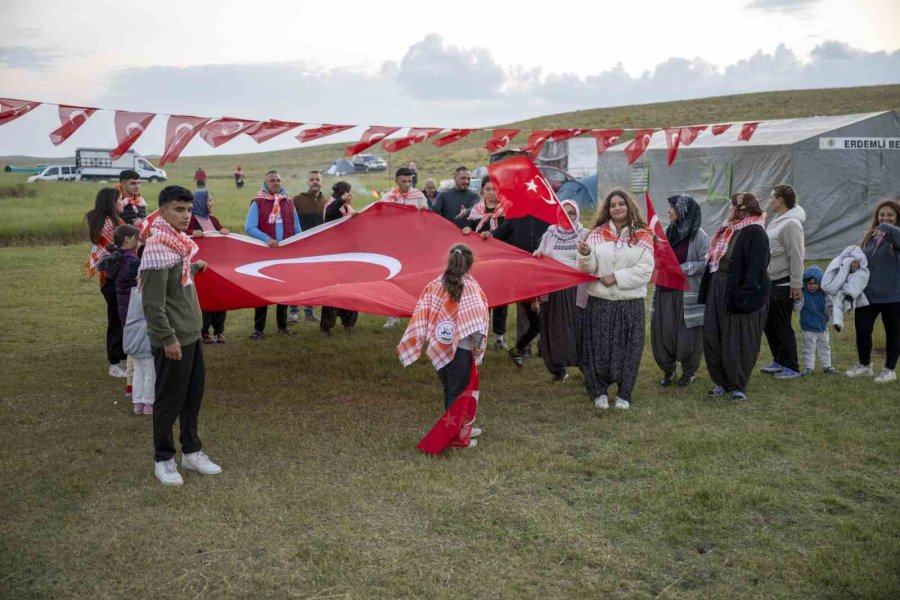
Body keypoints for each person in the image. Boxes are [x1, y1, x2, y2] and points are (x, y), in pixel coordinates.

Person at [140, 185, 221, 486]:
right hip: (173, 339)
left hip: (192, 335)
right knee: (168, 401)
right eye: (178, 209)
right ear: (161, 212)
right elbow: (153, 304)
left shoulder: (177, 244)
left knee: (191, 397)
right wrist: (168, 338)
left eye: (188, 210)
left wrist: (195, 267)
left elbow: (176, 283)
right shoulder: (157, 248)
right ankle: (163, 459)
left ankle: (191, 451)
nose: (186, 215)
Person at [397, 244, 489, 452]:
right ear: (470, 264)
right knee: (458, 392)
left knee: (450, 389)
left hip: (439, 346)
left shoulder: (435, 284)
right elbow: (477, 319)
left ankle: (460, 426)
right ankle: (456, 437)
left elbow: (423, 311)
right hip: (462, 349)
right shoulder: (471, 286)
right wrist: (479, 342)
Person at [576, 189, 654, 410]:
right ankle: (598, 390)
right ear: (607, 210)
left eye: (621, 204)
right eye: (612, 205)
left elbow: (645, 270)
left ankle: (624, 394)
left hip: (630, 303)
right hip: (600, 301)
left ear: (629, 206)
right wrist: (585, 255)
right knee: (598, 349)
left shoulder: (643, 235)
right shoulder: (596, 234)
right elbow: (587, 269)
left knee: (629, 350)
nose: (617, 208)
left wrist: (616, 277)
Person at [698, 192, 771, 401]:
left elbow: (757, 269)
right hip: (719, 286)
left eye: (732, 206)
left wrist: (744, 297)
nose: (730, 210)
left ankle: (738, 384)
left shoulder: (755, 232)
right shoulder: (728, 229)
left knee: (738, 337)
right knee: (714, 333)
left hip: (740, 291)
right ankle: (721, 381)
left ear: (742, 210)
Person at [482, 191, 551, 362]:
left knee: (546, 310)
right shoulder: (515, 217)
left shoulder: (551, 218)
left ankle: (545, 347)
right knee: (525, 311)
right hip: (523, 273)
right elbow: (501, 233)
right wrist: (489, 235)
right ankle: (523, 348)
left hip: (546, 272)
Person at [650, 194, 710, 387]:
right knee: (664, 331)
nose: (668, 211)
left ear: (683, 211)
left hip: (686, 294)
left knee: (687, 334)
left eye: (672, 208)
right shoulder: (666, 232)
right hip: (665, 290)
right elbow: (657, 257)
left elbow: (705, 263)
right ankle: (668, 370)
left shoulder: (699, 235)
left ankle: (689, 372)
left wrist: (679, 269)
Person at [97, 224, 151, 414]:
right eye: (137, 238)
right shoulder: (131, 262)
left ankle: (131, 389)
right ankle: (146, 401)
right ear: (128, 239)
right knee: (143, 357)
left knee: (132, 352)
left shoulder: (117, 259)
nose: (139, 241)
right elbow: (145, 274)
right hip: (135, 311)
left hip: (124, 311)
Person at [846, 199, 900, 383]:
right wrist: (854, 265)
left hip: (893, 296)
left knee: (893, 332)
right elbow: (863, 262)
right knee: (862, 329)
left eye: (890, 215)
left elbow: (894, 232)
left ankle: (889, 369)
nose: (885, 218)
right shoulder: (870, 237)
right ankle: (864, 365)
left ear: (897, 217)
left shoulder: (896, 235)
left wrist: (885, 226)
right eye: (882, 215)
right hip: (868, 294)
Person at [533, 200, 586, 382]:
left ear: (577, 214)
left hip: (576, 291)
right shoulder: (550, 234)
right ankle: (558, 370)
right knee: (554, 330)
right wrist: (538, 255)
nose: (567, 216)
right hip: (554, 290)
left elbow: (591, 261)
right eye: (564, 212)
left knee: (578, 329)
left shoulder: (584, 234)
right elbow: (540, 254)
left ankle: (587, 367)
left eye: (571, 213)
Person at [244, 170, 302, 340]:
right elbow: (250, 227)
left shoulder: (288, 202)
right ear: (265, 183)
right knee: (263, 292)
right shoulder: (258, 202)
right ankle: (259, 329)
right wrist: (267, 239)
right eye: (272, 181)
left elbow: (297, 228)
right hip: (265, 254)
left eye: (278, 180)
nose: (276, 183)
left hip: (285, 254)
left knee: (284, 290)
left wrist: (300, 244)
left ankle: (282, 327)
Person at [761, 184, 806, 379]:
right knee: (769, 324)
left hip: (784, 282)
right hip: (771, 281)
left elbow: (796, 255)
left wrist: (796, 284)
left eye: (773, 198)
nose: (770, 201)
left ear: (780, 200)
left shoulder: (791, 224)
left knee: (782, 324)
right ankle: (778, 360)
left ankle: (792, 366)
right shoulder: (777, 221)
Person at [85, 187, 128, 377]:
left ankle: (120, 357)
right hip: (113, 276)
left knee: (119, 316)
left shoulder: (105, 221)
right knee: (117, 318)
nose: (123, 202)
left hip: (110, 276)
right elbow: (122, 247)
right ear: (112, 203)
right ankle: (115, 362)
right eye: (120, 199)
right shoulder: (111, 224)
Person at [464, 176, 508, 349]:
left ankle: (499, 336)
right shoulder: (476, 210)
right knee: (480, 300)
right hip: (481, 262)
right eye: (488, 189)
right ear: (481, 191)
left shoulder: (507, 210)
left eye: (495, 189)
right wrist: (467, 230)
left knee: (501, 299)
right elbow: (470, 232)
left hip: (500, 261)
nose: (491, 193)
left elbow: (510, 234)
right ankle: (479, 334)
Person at [381, 167, 428, 329]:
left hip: (413, 244)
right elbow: (382, 219)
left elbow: (426, 221)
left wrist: (424, 213)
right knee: (393, 279)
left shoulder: (419, 196)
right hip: (394, 244)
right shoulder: (388, 197)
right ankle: (392, 315)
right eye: (404, 181)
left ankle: (417, 315)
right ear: (396, 181)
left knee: (414, 279)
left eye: (410, 181)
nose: (408, 184)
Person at [188, 189, 230, 344]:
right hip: (201, 268)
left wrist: (223, 232)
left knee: (220, 297)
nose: (213, 203)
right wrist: (192, 232)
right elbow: (182, 233)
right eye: (210, 200)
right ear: (200, 202)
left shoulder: (213, 219)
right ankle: (203, 332)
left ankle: (219, 331)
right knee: (204, 298)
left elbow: (220, 233)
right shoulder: (191, 219)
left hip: (217, 266)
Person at [320, 181, 360, 336]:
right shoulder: (331, 204)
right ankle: (326, 326)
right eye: (346, 193)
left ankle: (349, 323)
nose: (349, 196)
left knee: (351, 289)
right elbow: (330, 214)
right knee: (333, 292)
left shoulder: (347, 207)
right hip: (334, 255)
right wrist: (341, 200)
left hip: (349, 254)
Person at [290, 170, 328, 324]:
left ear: (321, 182)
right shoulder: (297, 200)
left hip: (318, 248)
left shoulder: (326, 202)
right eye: (311, 179)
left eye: (317, 179)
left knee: (312, 279)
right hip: (299, 245)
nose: (314, 182)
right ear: (307, 182)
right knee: (295, 279)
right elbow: (290, 221)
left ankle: (309, 312)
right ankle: (293, 312)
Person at [798, 265, 836, 376]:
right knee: (809, 348)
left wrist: (830, 308)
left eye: (815, 283)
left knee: (825, 347)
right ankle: (809, 368)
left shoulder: (824, 294)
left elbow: (829, 303)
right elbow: (797, 307)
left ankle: (827, 366)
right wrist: (797, 300)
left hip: (822, 326)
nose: (812, 286)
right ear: (806, 283)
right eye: (810, 283)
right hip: (808, 327)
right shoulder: (803, 294)